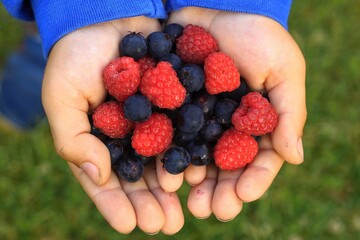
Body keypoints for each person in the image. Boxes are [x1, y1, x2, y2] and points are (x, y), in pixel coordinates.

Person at [1, 0, 306, 235]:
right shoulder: (151, 86)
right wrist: (83, 9)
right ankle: (16, 104)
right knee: (46, 69)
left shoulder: (192, 98)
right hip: (72, 20)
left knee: (53, 68)